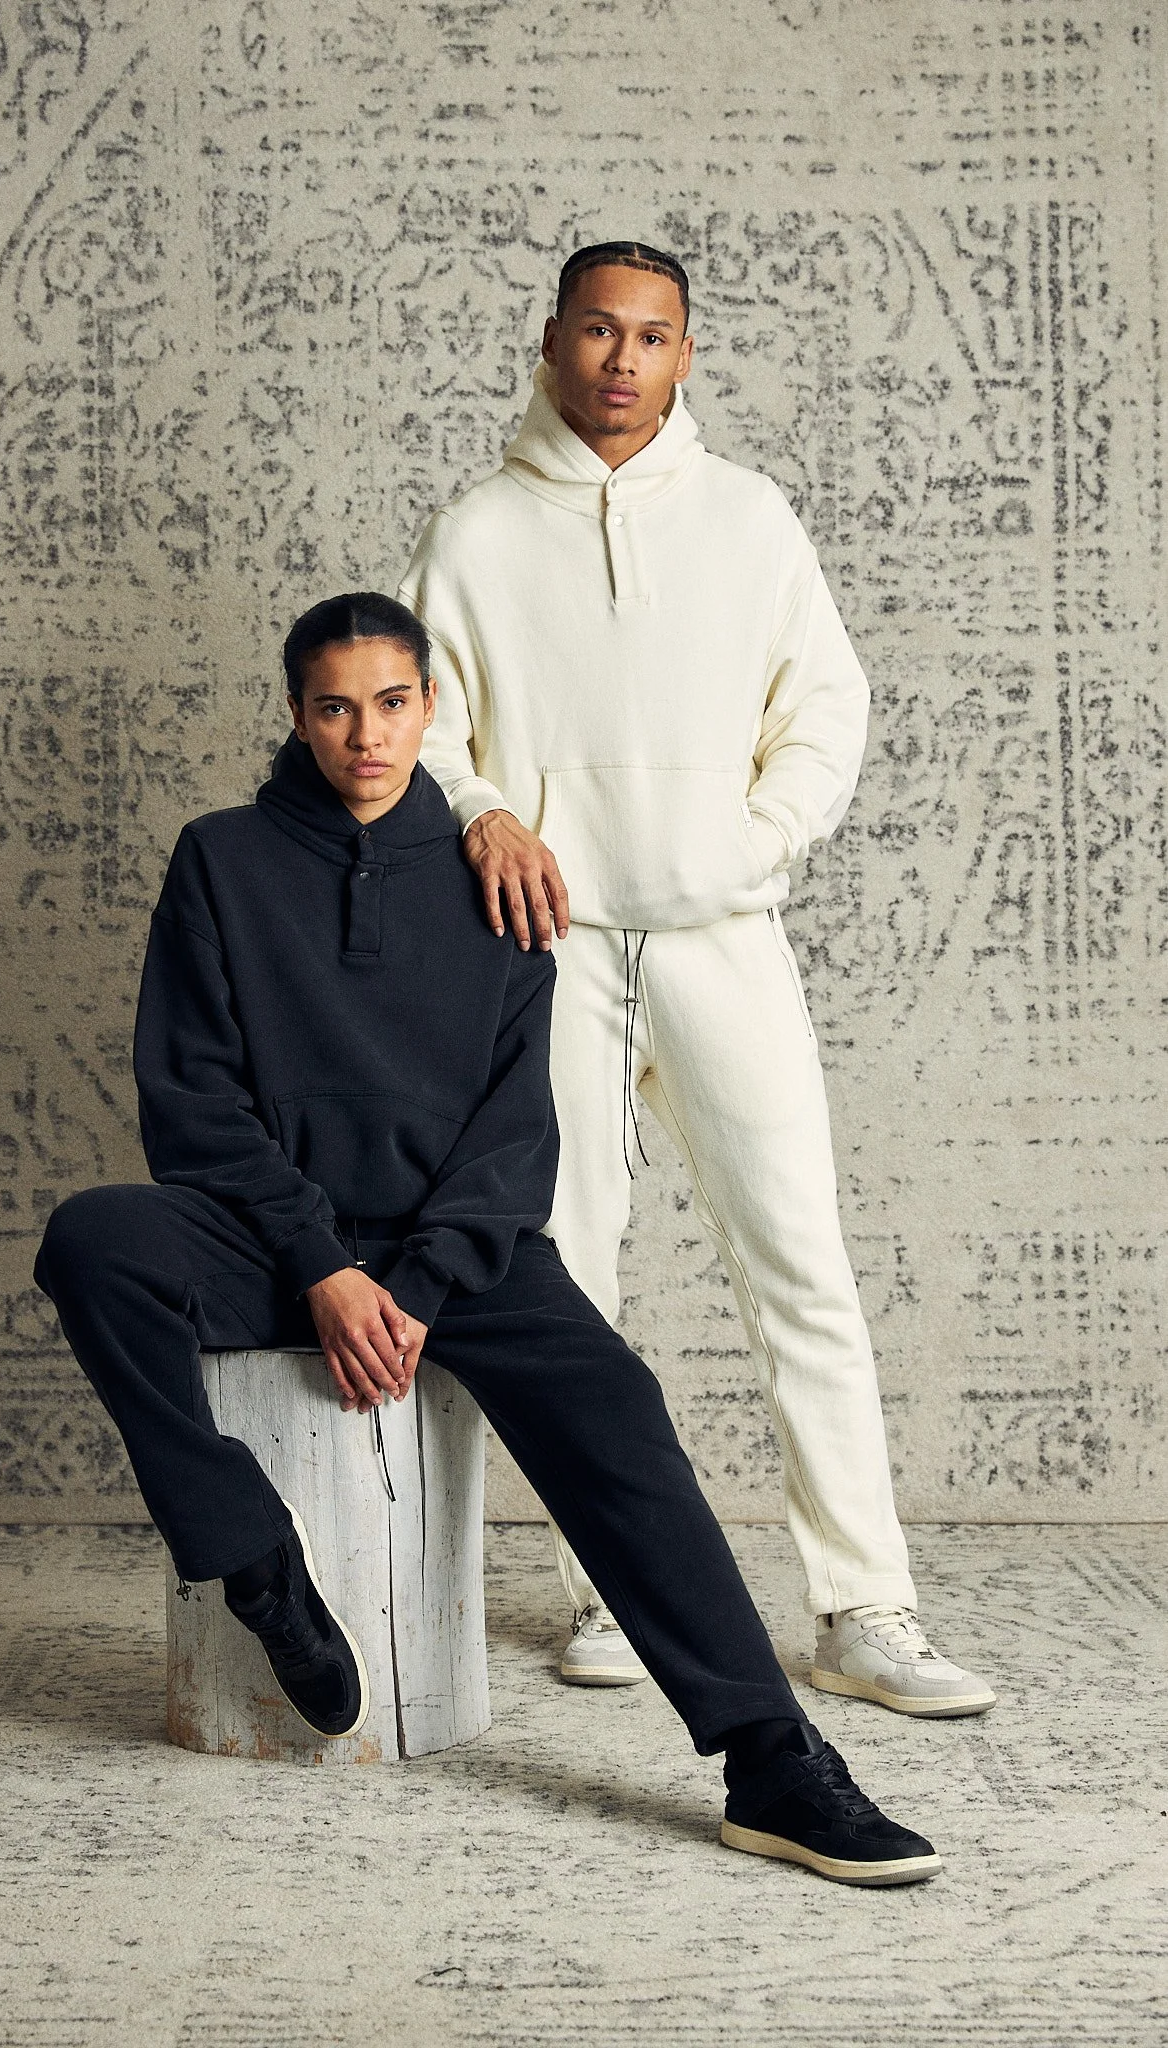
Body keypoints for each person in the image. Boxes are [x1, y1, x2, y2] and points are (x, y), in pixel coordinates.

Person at [35, 593, 942, 1886]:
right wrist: (322, 1266)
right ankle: (249, 1554)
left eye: (392, 704)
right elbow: (191, 1105)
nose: (365, 734)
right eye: (336, 706)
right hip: (272, 1241)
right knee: (93, 1241)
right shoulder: (221, 861)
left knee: (618, 1400)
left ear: (431, 710)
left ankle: (771, 1758)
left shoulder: (501, 883)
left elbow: (520, 1136)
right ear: (298, 712)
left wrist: (406, 1282)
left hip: (455, 1259)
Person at [398, 242, 995, 1716]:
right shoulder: (473, 534)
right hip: (554, 956)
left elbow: (828, 706)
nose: (621, 359)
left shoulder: (750, 521)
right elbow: (423, 724)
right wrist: (482, 812)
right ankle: (615, 1594)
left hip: (725, 939)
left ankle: (865, 1611)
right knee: (573, 1285)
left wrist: (758, 840)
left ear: (685, 356)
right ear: (551, 341)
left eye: (652, 337)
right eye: (598, 329)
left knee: (800, 1266)